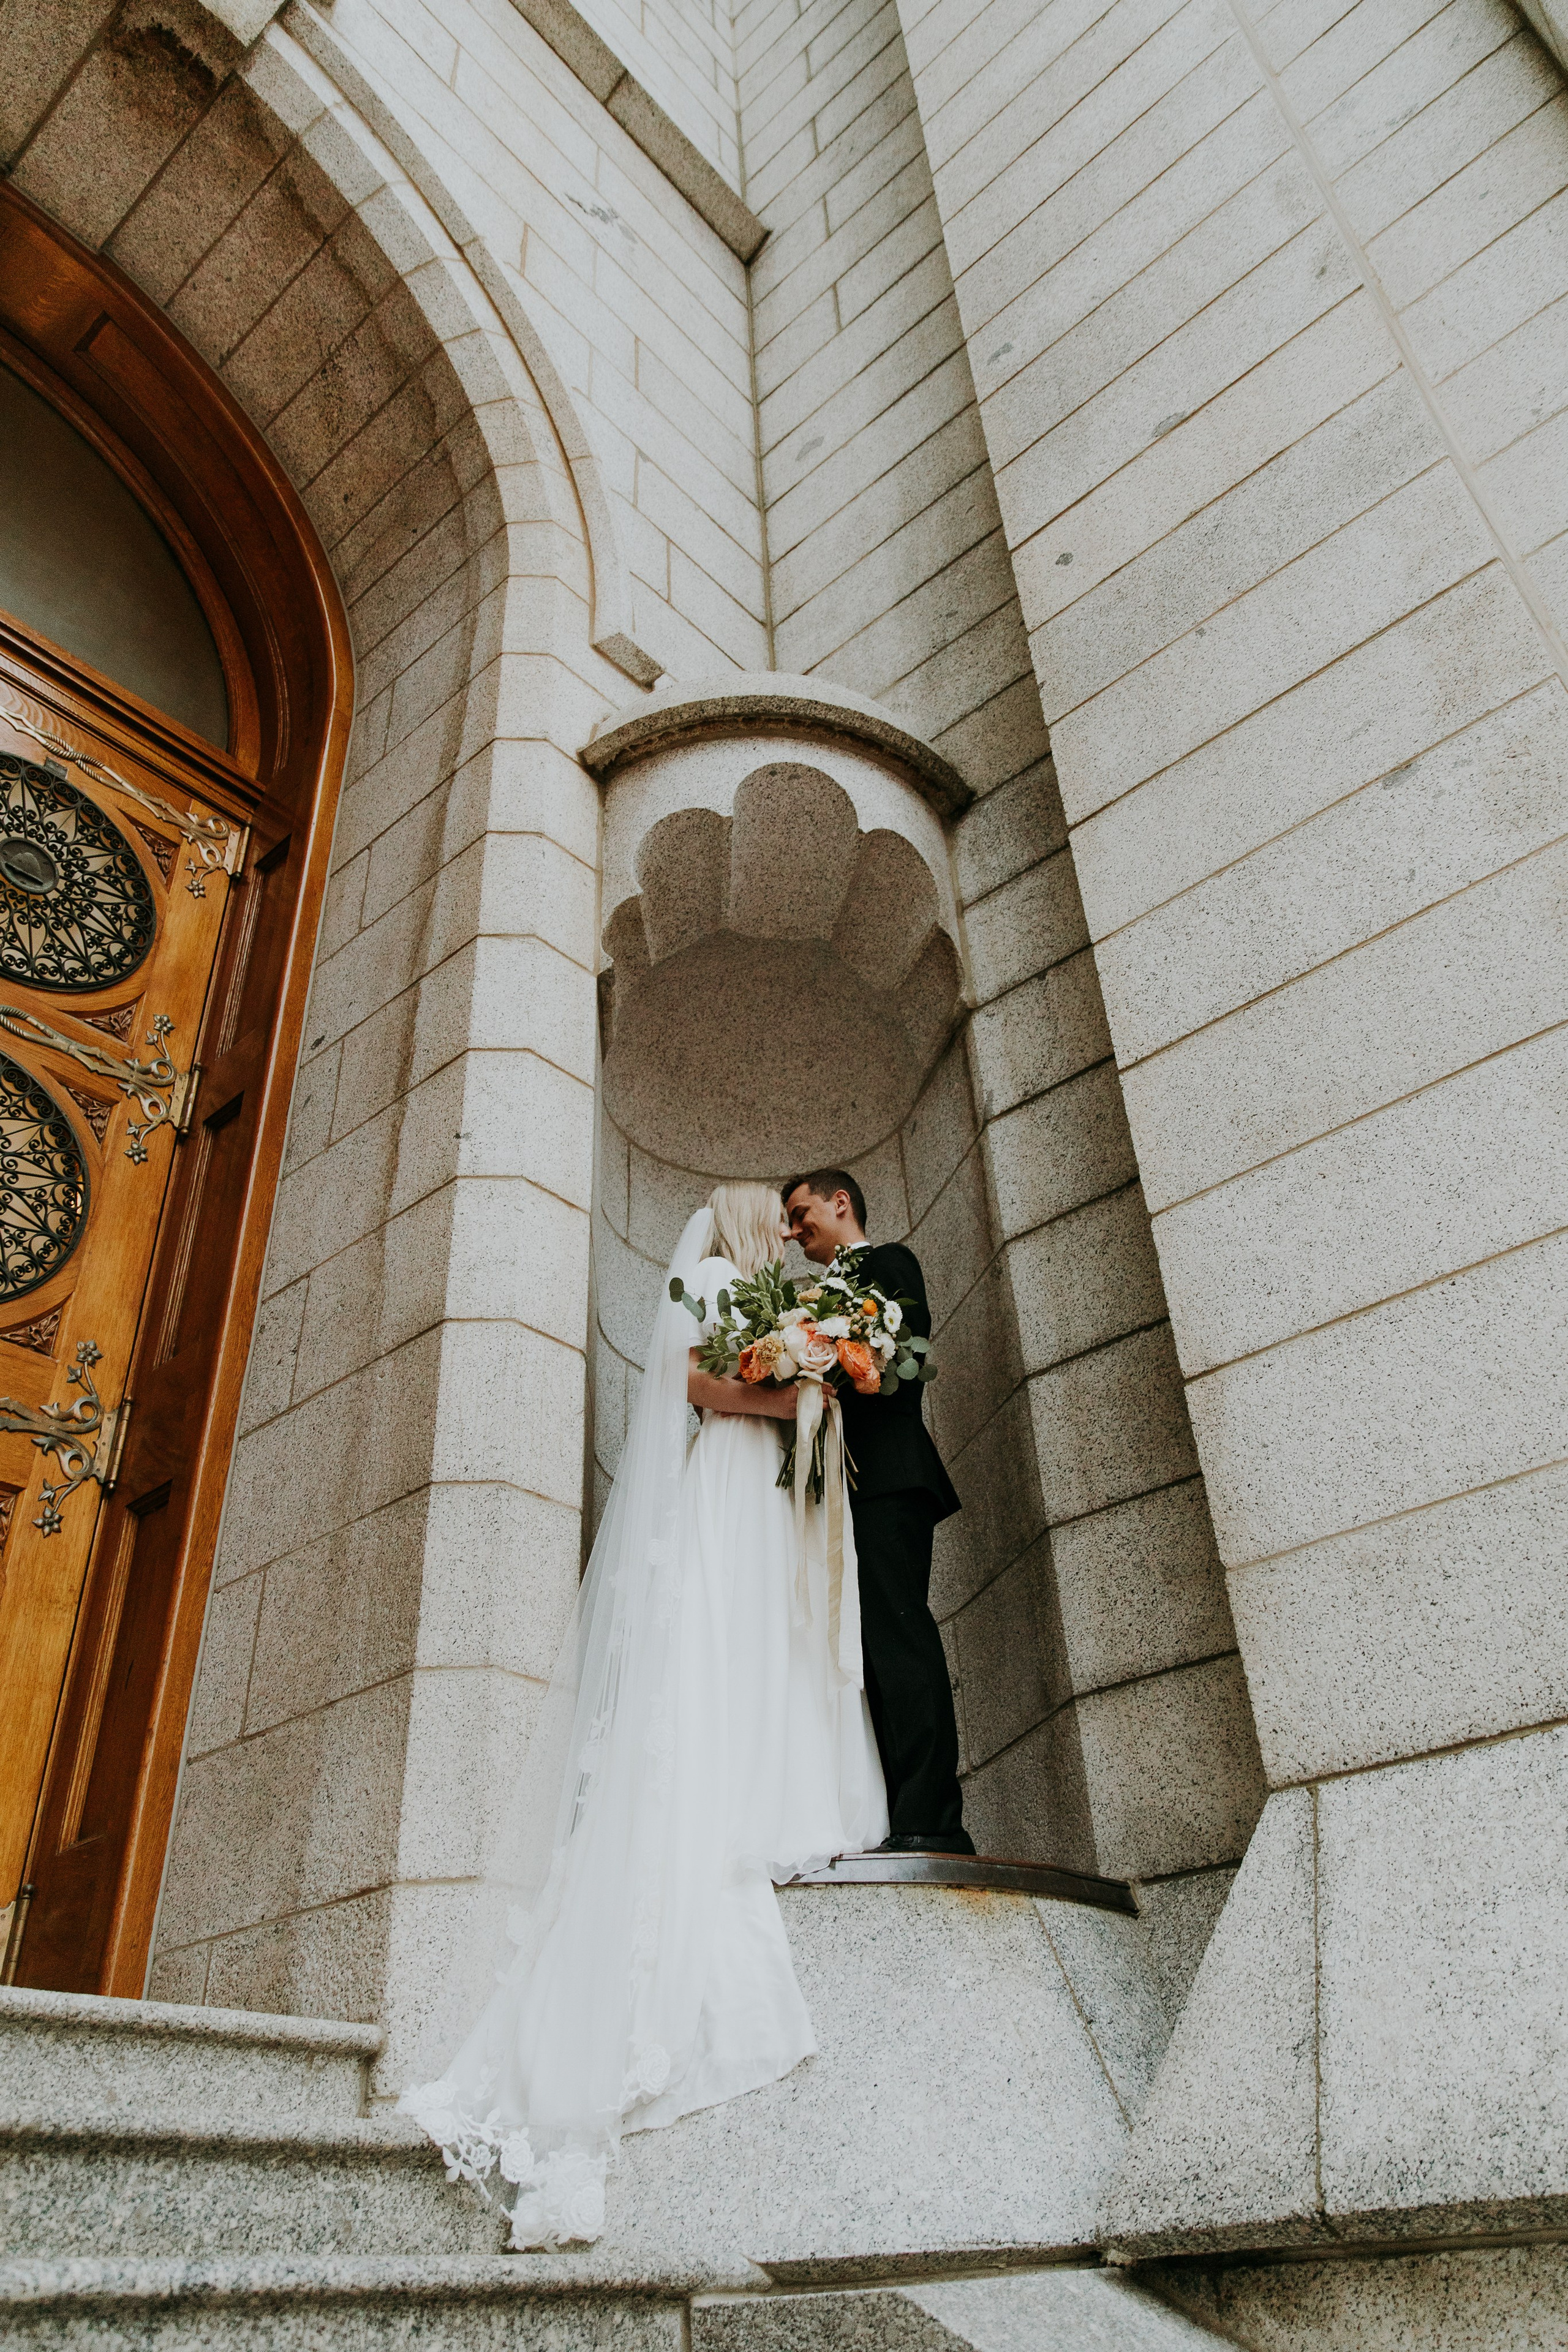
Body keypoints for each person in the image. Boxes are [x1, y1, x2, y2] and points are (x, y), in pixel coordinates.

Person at [401, 1183, 888, 2249]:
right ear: (748, 1227)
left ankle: (774, 1791)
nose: (788, 1230)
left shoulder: (758, 1292)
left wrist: (811, 1383)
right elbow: (696, 1383)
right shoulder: (714, 1282)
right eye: (779, 1215)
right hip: (731, 1481)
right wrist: (807, 1393)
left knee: (768, 1643)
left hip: (761, 1486)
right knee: (730, 1646)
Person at [782, 1169, 973, 1858]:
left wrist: (815, 1353)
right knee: (861, 1651)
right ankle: (891, 1812)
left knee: (899, 1639)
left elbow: (896, 1354)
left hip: (889, 1480)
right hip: (840, 1489)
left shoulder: (891, 1263)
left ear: (841, 1203)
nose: (792, 1229)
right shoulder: (804, 1299)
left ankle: (934, 1822)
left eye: (801, 1213)